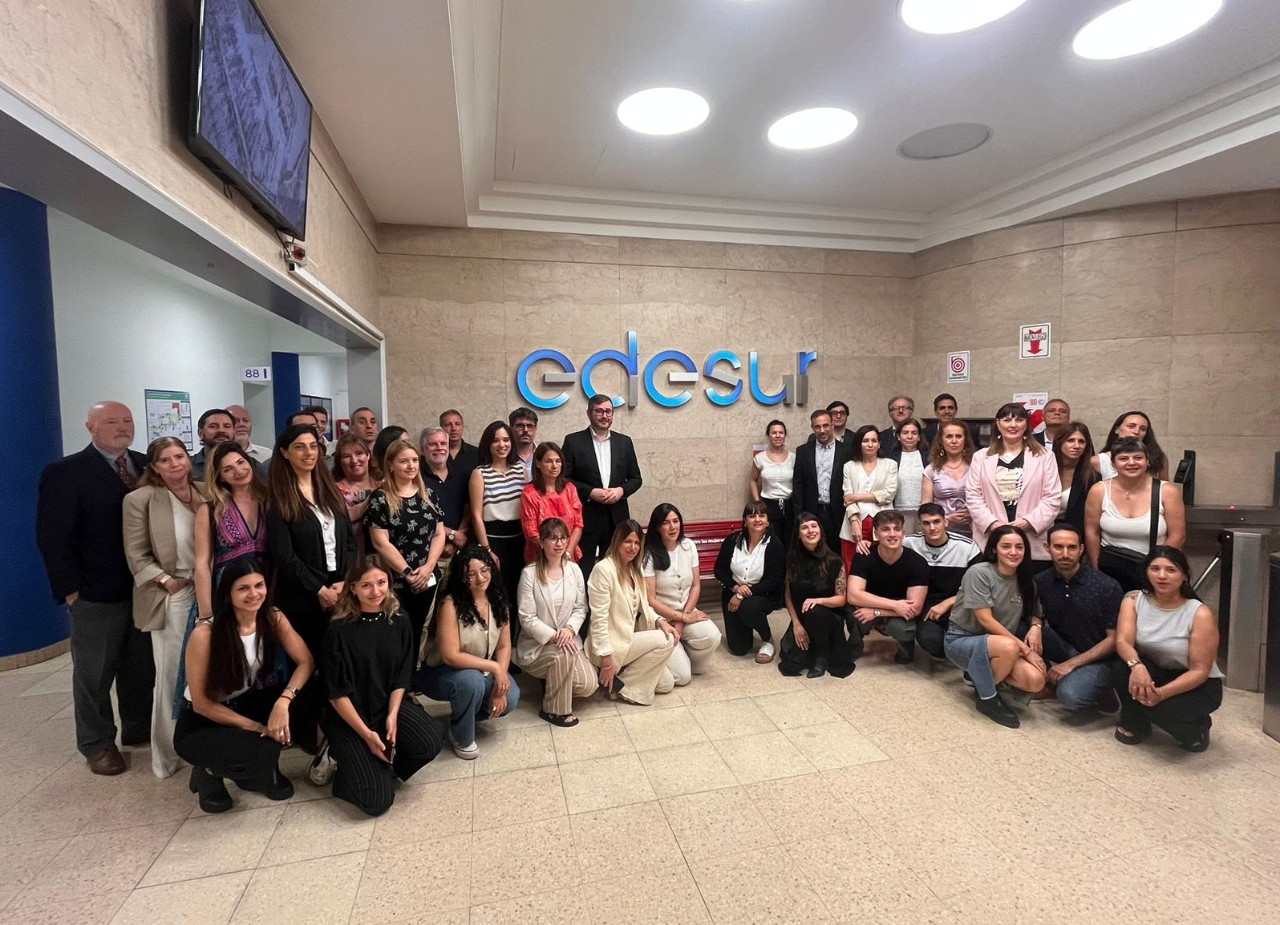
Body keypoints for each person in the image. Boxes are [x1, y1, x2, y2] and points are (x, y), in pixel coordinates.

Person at [36, 400, 153, 776]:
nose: (122, 427)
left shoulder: (146, 465)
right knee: (94, 673)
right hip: (95, 592)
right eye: (112, 421)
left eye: (127, 420)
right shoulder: (66, 472)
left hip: (144, 588)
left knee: (140, 666)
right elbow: (53, 537)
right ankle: (97, 743)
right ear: (91, 427)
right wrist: (69, 590)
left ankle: (138, 727)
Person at [175, 558, 314, 813]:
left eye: (259, 585)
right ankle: (207, 771)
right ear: (228, 594)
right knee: (263, 749)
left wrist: (283, 702)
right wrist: (258, 727)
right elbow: (202, 704)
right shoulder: (205, 634)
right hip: (202, 722)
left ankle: (256, 767)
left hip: (244, 702)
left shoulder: (272, 617)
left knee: (308, 698)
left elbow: (306, 661)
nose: (254, 594)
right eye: (243, 588)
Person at [323, 555, 443, 815]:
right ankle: (343, 764)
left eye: (381, 583)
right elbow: (336, 693)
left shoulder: (398, 619)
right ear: (352, 588)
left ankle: (380, 767)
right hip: (350, 716)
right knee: (377, 802)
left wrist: (392, 714)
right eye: (366, 585)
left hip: (385, 703)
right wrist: (367, 735)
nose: (375, 591)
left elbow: (402, 675)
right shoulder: (338, 630)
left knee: (431, 741)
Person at [122, 436, 207, 778]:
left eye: (179, 456)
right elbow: (136, 554)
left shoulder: (205, 492)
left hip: (207, 591)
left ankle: (199, 743)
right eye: (165, 460)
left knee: (203, 672)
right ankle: (168, 754)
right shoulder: (140, 499)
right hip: (172, 594)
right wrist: (166, 581)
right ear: (154, 467)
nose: (175, 464)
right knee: (171, 674)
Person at [1113, 546, 1222, 751]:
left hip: (1195, 682)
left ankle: (1197, 727)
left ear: (1185, 575)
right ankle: (1136, 723)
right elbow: (1123, 642)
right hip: (1154, 670)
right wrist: (1137, 666)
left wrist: (1161, 694)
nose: (1162, 576)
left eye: (1171, 570)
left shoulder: (1199, 613)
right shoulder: (1133, 600)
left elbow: (1200, 670)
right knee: (1121, 668)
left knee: (1158, 710)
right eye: (1155, 569)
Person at [418, 545, 520, 758]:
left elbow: (504, 646)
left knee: (511, 696)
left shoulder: (498, 599)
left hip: (480, 670)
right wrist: (495, 668)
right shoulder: (450, 604)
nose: (480, 578)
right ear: (461, 577)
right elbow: (450, 655)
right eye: (471, 574)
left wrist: (500, 678)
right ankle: (461, 735)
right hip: (441, 672)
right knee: (471, 682)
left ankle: (462, 715)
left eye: (484, 570)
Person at [266, 423, 356, 662]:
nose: (308, 453)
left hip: (339, 590)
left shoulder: (331, 491)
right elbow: (284, 555)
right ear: (285, 453)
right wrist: (319, 589)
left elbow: (349, 541)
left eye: (313, 446)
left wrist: (344, 581)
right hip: (302, 598)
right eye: (299, 447)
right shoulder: (279, 499)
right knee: (308, 664)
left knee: (339, 663)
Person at [944, 525, 1047, 728]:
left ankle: (980, 678)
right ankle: (987, 699)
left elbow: (1035, 612)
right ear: (994, 550)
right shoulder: (979, 573)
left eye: (1019, 547)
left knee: (1035, 680)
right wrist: (1026, 651)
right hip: (963, 639)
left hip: (1001, 645)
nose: (1013, 552)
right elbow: (986, 620)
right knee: (1009, 646)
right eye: (1006, 546)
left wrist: (1036, 627)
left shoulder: (1026, 580)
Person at [367, 438, 447, 663]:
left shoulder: (428, 494)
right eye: (404, 461)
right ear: (391, 465)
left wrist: (428, 568)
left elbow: (439, 534)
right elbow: (380, 542)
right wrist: (408, 573)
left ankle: (412, 677)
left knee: (419, 630)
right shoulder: (380, 498)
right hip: (395, 581)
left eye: (414, 460)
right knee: (394, 634)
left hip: (427, 577)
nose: (411, 466)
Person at [516, 518, 598, 726]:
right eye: (552, 538)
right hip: (538, 646)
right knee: (562, 655)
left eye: (563, 538)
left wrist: (569, 629)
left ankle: (553, 680)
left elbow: (581, 607)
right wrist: (555, 636)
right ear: (542, 542)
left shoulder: (574, 570)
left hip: (568, 639)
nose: (559, 543)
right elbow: (527, 617)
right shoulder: (529, 574)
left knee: (588, 685)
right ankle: (554, 711)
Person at [1034, 523, 1123, 713]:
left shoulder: (1106, 586)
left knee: (1070, 696)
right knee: (1021, 629)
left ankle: (1102, 690)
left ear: (1081, 549)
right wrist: (1035, 626)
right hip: (1065, 646)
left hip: (1100, 658)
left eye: (1072, 547)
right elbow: (1034, 614)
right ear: (1047, 548)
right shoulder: (1041, 581)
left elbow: (1114, 640)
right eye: (1058, 547)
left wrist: (1070, 665)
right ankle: (1048, 682)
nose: (1065, 554)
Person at [587, 520, 678, 704]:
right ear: (617, 541)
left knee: (666, 684)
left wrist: (661, 621)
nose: (633, 547)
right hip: (610, 645)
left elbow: (645, 606)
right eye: (628, 541)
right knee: (666, 639)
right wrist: (606, 659)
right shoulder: (603, 569)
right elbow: (599, 619)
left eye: (637, 543)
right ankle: (624, 688)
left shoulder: (635, 570)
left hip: (629, 640)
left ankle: (619, 681)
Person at [965, 402, 1061, 571]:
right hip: (992, 537)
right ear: (998, 424)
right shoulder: (981, 457)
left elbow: (1052, 497)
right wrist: (994, 524)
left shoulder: (1045, 456)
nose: (1013, 425)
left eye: (1019, 420)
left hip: (1032, 537)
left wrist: (1027, 522)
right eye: (1007, 420)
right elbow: (973, 496)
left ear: (1027, 425)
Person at [1085, 438, 1186, 591]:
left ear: (1147, 462)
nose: (1131, 463)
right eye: (1123, 458)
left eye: (1138, 457)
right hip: (1111, 570)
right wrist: (1096, 569)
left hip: (1154, 572)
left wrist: (1158, 569)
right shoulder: (1098, 491)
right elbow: (1091, 532)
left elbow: (1178, 535)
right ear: (1113, 464)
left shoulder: (1167, 491)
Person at [561, 394, 644, 578]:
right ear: (589, 413)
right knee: (583, 569)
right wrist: (590, 492)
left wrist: (621, 491)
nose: (604, 416)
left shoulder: (624, 442)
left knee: (616, 570)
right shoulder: (573, 442)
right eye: (599, 411)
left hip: (617, 519)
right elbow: (564, 478)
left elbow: (636, 479)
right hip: (586, 517)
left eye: (608, 411)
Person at [642, 503, 722, 684]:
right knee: (682, 678)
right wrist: (679, 618)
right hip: (662, 618)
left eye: (676, 521)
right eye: (666, 523)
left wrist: (683, 618)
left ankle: (687, 657)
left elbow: (695, 586)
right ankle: (666, 656)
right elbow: (651, 600)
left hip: (687, 611)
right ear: (657, 527)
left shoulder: (688, 545)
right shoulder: (649, 554)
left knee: (712, 636)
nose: (672, 527)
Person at [777, 513, 854, 679]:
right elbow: (788, 595)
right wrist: (796, 624)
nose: (810, 531)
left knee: (815, 611)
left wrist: (818, 600)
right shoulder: (791, 560)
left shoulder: (835, 560)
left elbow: (842, 599)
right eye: (804, 528)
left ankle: (822, 657)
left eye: (814, 526)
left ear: (820, 530)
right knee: (791, 666)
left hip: (828, 618)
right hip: (802, 619)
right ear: (798, 534)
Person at [847, 510, 929, 664]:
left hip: (897, 610)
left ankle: (905, 649)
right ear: (876, 534)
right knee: (854, 614)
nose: (892, 534)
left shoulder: (917, 562)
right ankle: (854, 646)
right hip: (876, 604)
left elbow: (915, 608)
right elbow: (853, 595)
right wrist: (894, 605)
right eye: (885, 529)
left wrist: (877, 612)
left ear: (903, 533)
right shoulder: (864, 556)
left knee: (905, 628)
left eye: (897, 529)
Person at [903, 503, 980, 660]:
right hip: (926, 604)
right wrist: (866, 543)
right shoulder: (909, 543)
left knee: (969, 636)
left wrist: (949, 602)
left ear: (946, 522)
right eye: (926, 523)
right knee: (931, 641)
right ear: (920, 525)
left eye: (936, 522)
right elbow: (884, 546)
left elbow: (980, 586)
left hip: (959, 602)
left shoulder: (967, 547)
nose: (932, 527)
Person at [714, 501, 786, 662]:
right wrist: (735, 588)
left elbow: (773, 581)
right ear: (745, 520)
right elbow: (719, 570)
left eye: (762, 515)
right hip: (732, 593)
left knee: (749, 609)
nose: (757, 519)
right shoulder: (732, 540)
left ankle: (767, 640)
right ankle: (746, 625)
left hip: (762, 594)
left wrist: (742, 595)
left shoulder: (775, 545)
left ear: (767, 520)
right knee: (739, 648)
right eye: (752, 516)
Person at [469, 420, 526, 611]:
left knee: (519, 592)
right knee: (497, 594)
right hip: (493, 539)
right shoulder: (480, 473)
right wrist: (487, 549)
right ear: (488, 444)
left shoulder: (521, 470)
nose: (502, 445)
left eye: (506, 440)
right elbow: (476, 515)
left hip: (519, 539)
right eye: (495, 440)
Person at [840, 424, 898, 570]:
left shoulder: (890, 465)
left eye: (874, 440)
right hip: (855, 523)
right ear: (859, 444)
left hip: (882, 522)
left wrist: (857, 497)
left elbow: (888, 494)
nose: (870, 444)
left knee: (881, 567)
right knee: (853, 566)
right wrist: (854, 521)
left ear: (879, 444)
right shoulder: (849, 466)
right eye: (865, 441)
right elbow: (847, 497)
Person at [792, 408, 849, 553]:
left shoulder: (846, 451)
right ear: (812, 427)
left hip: (837, 513)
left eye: (826, 425)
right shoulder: (803, 451)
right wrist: (799, 515)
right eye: (817, 426)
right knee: (811, 553)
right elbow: (798, 485)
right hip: (812, 512)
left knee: (835, 553)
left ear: (832, 425)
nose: (822, 430)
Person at [520, 441, 584, 564]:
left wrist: (567, 552)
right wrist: (554, 555)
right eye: (548, 461)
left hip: (568, 555)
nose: (554, 466)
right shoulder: (529, 493)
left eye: (558, 461)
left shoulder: (570, 488)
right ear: (538, 463)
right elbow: (531, 532)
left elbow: (578, 524)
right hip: (541, 557)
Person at [421, 426, 470, 560]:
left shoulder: (461, 475)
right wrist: (451, 535)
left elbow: (468, 511)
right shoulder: (415, 479)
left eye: (443, 443)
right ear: (423, 450)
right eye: (433, 444)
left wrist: (457, 539)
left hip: (458, 551)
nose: (439, 448)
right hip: (426, 552)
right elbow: (418, 517)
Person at [921, 421, 975, 537]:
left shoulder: (976, 466)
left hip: (975, 529)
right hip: (942, 531)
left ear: (965, 440)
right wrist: (947, 518)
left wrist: (973, 514)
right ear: (941, 441)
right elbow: (926, 507)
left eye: (958, 436)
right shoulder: (931, 470)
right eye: (949, 436)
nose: (954, 441)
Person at [332, 432, 378, 559]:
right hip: (350, 556)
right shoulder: (332, 491)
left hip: (383, 557)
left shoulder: (383, 485)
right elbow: (334, 524)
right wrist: (372, 499)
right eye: (346, 456)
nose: (354, 460)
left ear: (368, 455)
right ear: (339, 462)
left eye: (359, 453)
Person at [750, 419, 795, 543]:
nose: (777, 436)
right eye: (774, 433)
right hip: (768, 505)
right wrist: (758, 502)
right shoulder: (760, 458)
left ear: (785, 435)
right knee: (772, 542)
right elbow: (753, 480)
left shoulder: (794, 457)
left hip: (790, 506)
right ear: (768, 435)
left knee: (790, 542)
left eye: (781, 432)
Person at [1052, 422, 1098, 535]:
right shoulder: (1045, 469)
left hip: (1076, 534)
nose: (1077, 446)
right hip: (1041, 532)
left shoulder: (1092, 476)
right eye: (1070, 440)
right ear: (1059, 442)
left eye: (1081, 441)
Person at [1094, 410, 1169, 480]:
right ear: (1117, 429)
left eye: (1143, 429)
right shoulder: (1099, 461)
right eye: (1131, 426)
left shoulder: (1158, 458)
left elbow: (1165, 486)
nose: (1136, 432)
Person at [888, 417, 926, 533]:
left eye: (914, 433)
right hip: (897, 513)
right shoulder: (890, 459)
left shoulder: (928, 458)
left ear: (919, 437)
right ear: (898, 436)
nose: (910, 436)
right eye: (905, 433)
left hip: (923, 513)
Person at [189, 408, 235, 481]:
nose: (221, 430)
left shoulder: (248, 464)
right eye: (213, 426)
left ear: (234, 432)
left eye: (227, 426)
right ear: (201, 433)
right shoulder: (188, 466)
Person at [440, 409, 480, 476]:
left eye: (457, 424)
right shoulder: (436, 454)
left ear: (462, 427)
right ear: (441, 428)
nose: (454, 428)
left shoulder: (477, 454)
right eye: (448, 425)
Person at [509, 406, 539, 480]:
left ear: (535, 429)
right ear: (510, 428)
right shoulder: (504, 456)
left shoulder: (543, 455)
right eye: (520, 426)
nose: (525, 430)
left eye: (530, 426)